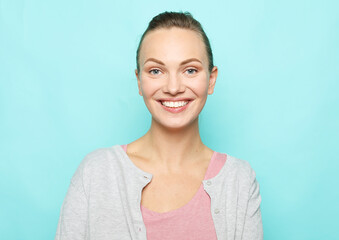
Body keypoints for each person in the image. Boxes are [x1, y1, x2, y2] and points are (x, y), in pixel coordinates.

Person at [55, 11, 263, 240]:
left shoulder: (239, 180)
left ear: (211, 80)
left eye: (190, 70)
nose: (173, 87)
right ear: (139, 81)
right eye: (156, 71)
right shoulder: (96, 173)